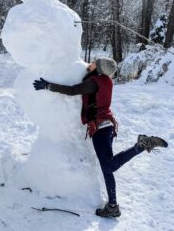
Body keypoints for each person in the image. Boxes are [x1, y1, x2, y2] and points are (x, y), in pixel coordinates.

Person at [33, 57, 168, 218]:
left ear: (99, 68)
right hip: (107, 126)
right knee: (107, 168)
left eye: (95, 63)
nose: (90, 64)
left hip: (101, 128)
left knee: (109, 167)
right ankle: (112, 206)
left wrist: (48, 85)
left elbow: (72, 90)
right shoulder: (105, 81)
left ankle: (141, 145)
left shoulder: (95, 82)